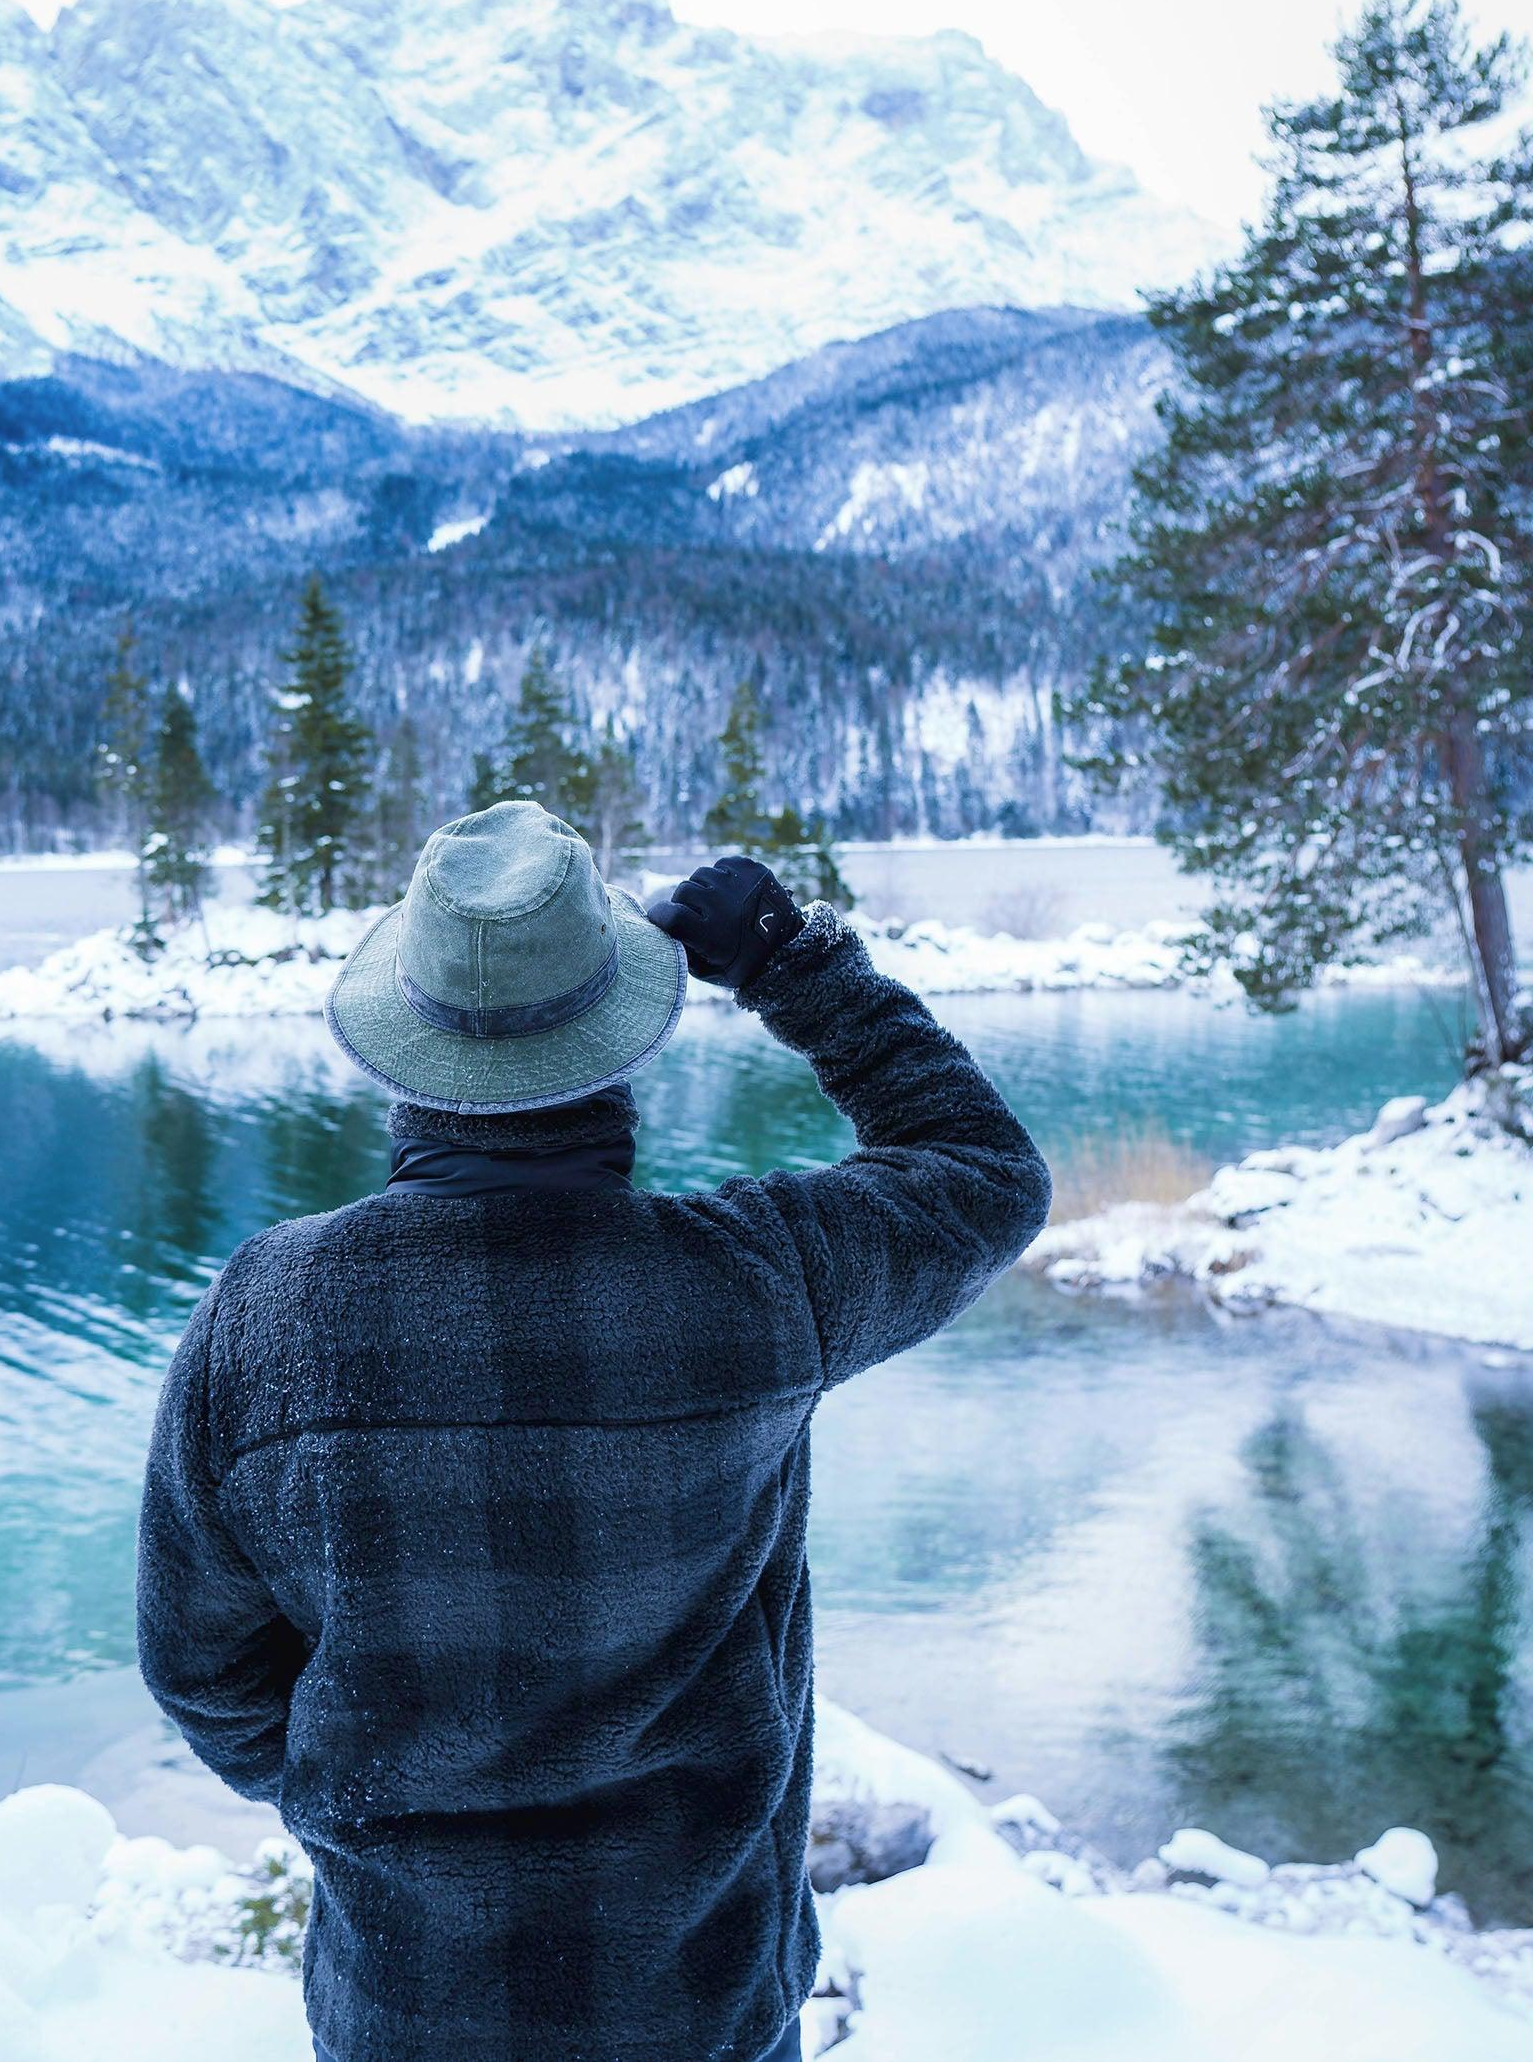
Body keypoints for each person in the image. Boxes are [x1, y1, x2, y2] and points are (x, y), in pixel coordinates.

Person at [138, 800, 1050, 2062]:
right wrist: (795, 963)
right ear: (622, 1047)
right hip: (697, 2011)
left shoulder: (268, 1314)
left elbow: (202, 1677)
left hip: (407, 2014)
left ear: (403, 1053)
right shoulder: (753, 1285)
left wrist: (352, 1794)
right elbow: (983, 1170)